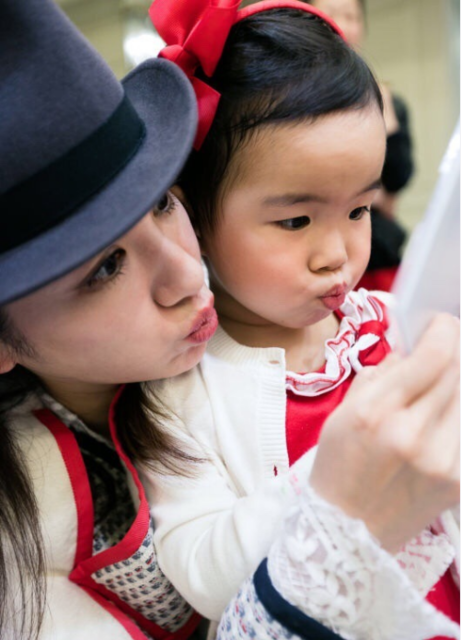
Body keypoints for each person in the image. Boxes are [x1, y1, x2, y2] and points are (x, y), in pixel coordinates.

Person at [0, 2, 458, 640]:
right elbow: (207, 568)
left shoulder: (371, 324)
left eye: (164, 204)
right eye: (105, 267)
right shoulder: (154, 419)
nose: (189, 275)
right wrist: (341, 489)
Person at [143, 1, 460, 638]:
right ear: (193, 211)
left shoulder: (387, 325)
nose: (337, 254)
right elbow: (203, 577)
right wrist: (341, 471)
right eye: (295, 220)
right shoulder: (177, 388)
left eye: (360, 210)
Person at [308, 0, 414, 291]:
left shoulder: (390, 102)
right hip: (317, 257)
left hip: (378, 253)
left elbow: (396, 181)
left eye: (351, 16)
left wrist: (386, 117)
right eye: (330, 14)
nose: (341, 24)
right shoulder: (295, 102)